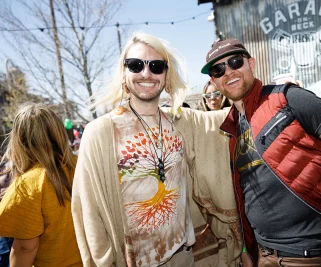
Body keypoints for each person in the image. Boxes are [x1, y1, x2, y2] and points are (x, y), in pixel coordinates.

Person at [200, 39, 321, 267]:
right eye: (218, 69)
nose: (228, 72)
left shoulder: (288, 99)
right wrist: (246, 249)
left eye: (235, 62)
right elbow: (246, 196)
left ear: (251, 63)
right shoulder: (232, 126)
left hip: (307, 255)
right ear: (213, 80)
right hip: (263, 255)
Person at [71, 32, 242, 267]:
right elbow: (87, 212)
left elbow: (229, 117)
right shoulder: (99, 133)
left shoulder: (181, 122)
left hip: (183, 256)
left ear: (166, 75)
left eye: (156, 66)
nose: (146, 73)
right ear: (124, 74)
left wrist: (272, 93)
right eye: (135, 65)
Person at [0, 103, 82, 267]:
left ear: (19, 140)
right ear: (59, 132)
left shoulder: (27, 185)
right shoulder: (83, 165)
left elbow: (25, 248)